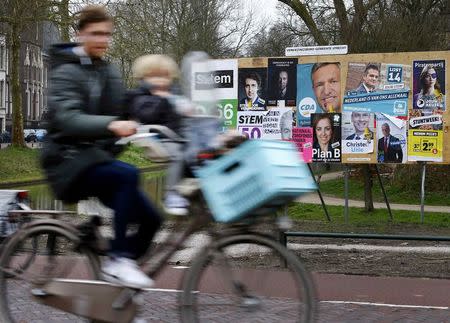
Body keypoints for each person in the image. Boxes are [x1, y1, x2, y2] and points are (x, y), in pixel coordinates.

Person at [40, 5, 161, 289]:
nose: (102, 40)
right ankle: (118, 260)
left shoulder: (106, 70)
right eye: (96, 34)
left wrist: (160, 99)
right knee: (128, 174)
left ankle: (118, 292)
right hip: (66, 163)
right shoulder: (65, 72)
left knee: (152, 220)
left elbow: (126, 103)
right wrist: (111, 125)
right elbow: (68, 118)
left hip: (94, 160)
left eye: (107, 34)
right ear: (80, 34)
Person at [128, 54, 192, 216]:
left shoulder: (173, 94)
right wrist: (163, 100)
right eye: (154, 76)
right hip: (159, 138)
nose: (161, 80)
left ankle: (190, 189)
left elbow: (182, 113)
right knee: (178, 155)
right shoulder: (141, 97)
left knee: (197, 153)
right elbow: (146, 115)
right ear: (143, 78)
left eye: (165, 76)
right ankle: (171, 194)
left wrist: (189, 111)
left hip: (177, 136)